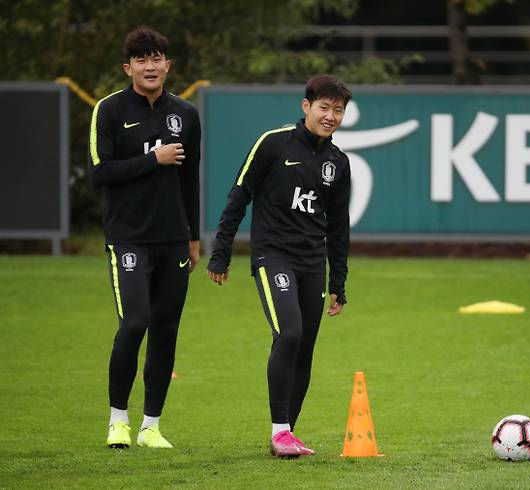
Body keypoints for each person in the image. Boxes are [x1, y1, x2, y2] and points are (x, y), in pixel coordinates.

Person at [207, 74, 352, 458]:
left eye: (338, 110)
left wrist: (338, 280)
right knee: (288, 333)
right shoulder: (272, 144)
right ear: (306, 107)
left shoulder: (338, 163)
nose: (330, 116)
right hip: (273, 257)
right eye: (324, 107)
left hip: (311, 264)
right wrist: (221, 251)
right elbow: (239, 195)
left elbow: (338, 227)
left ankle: (288, 434)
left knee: (304, 347)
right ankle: (280, 430)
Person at [88, 26, 201, 449]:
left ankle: (151, 426)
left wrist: (192, 236)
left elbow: (191, 179)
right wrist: (152, 159)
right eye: (141, 60)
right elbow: (101, 173)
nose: (150, 66)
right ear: (128, 67)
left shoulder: (185, 114)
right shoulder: (110, 110)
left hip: (173, 238)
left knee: (166, 329)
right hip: (128, 237)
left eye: (157, 59)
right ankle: (118, 420)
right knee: (135, 322)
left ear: (168, 65)